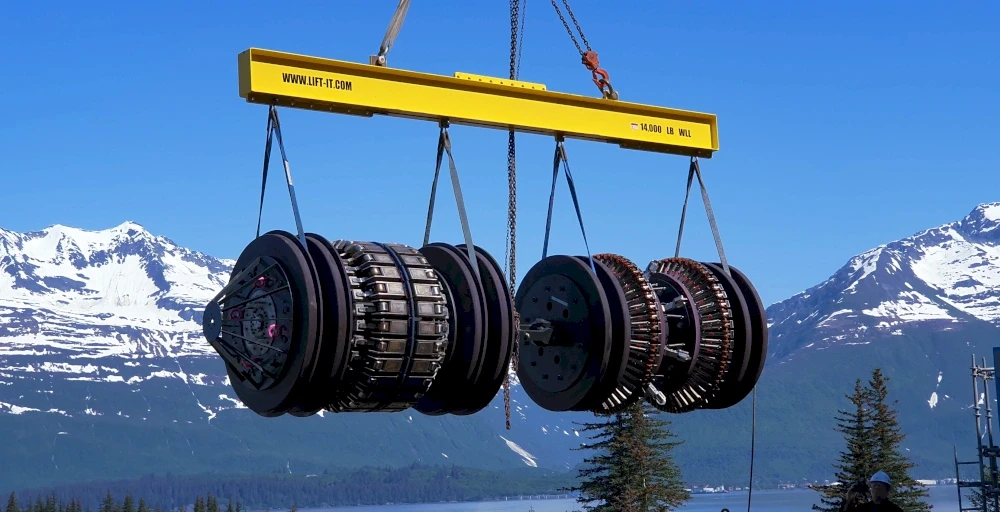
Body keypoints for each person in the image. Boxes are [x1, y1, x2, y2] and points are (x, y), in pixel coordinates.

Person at [840, 471, 904, 511]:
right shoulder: (863, 508)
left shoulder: (894, 510)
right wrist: (848, 500)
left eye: (880, 486)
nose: (876, 489)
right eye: (874, 486)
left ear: (887, 491)